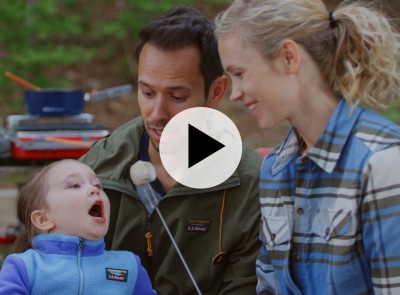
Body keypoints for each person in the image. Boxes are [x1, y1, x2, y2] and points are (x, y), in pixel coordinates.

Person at [215, 0, 400, 294]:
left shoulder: (383, 163)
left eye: (240, 73)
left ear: (289, 57)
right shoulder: (274, 169)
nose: (235, 93)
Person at [79, 4, 262, 295]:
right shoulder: (95, 169)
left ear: (216, 91)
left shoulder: (250, 187)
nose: (157, 113)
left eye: (177, 96)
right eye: (147, 92)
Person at [0, 159, 156, 295]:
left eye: (98, 185)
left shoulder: (130, 266)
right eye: (75, 185)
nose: (95, 189)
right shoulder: (23, 267)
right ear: (43, 219)